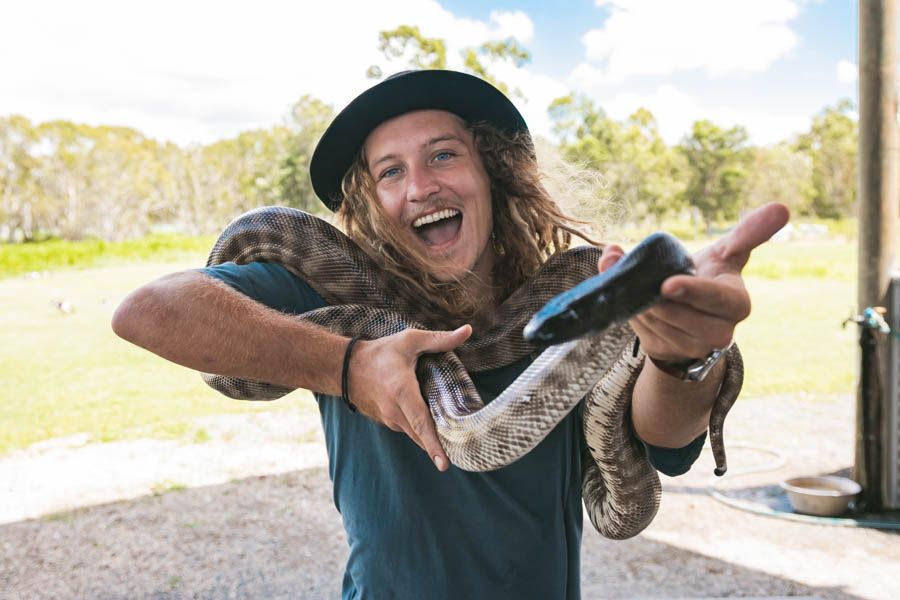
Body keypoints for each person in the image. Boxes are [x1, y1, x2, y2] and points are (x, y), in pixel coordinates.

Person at [112, 69, 789, 599]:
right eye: (390, 171)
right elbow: (151, 310)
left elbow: (662, 454)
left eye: (443, 155)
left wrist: (681, 354)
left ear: (490, 173)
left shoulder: (574, 300)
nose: (420, 187)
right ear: (370, 206)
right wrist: (348, 366)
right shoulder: (329, 288)